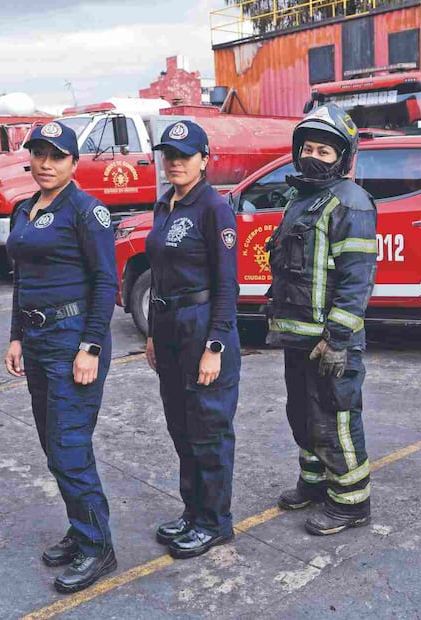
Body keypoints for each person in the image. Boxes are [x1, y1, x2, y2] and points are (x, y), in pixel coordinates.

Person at [4, 121, 118, 593]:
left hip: (73, 339)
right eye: (39, 154)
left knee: (69, 448)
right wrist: (15, 337)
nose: (46, 164)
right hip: (35, 339)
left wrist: (90, 346)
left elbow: (107, 283)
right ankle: (81, 527)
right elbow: (21, 279)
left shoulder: (87, 211)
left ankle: (99, 548)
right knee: (53, 446)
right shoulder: (23, 210)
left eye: (57, 156)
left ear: (73, 163)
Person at [267, 103, 377, 536]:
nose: (313, 156)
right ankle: (315, 483)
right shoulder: (300, 199)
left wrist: (338, 339)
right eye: (308, 148)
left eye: (325, 151)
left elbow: (356, 279)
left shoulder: (351, 203)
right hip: (297, 337)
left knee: (336, 418)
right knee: (303, 414)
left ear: (342, 158)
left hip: (329, 341)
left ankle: (351, 502)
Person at [144, 120, 241, 559]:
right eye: (169, 154)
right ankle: (193, 510)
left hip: (202, 325)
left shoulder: (214, 208)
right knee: (181, 426)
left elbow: (227, 284)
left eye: (185, 154)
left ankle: (215, 522)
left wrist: (215, 344)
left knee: (208, 429)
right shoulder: (165, 204)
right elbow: (161, 273)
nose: (175, 161)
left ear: (205, 159)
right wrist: (152, 333)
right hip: (168, 326)